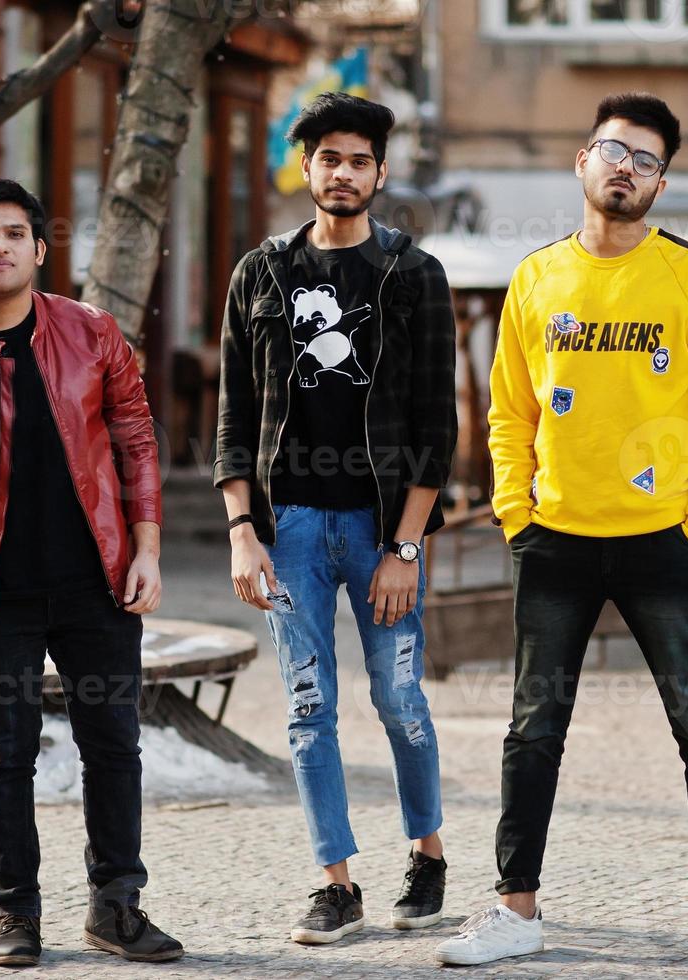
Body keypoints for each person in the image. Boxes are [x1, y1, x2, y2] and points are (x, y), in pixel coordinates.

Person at [434, 92, 688, 974]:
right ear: (582, 161)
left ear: (661, 183)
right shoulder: (537, 279)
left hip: (664, 542)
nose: (628, 168)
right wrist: (516, 511)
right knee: (533, 728)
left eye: (648, 160)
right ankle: (516, 910)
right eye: (615, 150)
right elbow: (507, 411)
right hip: (556, 543)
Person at [0, 178, 182, 967]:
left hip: (98, 585)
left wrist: (147, 550)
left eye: (15, 233)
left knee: (114, 748)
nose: (0, 246)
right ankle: (14, 913)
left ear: (40, 251)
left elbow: (136, 443)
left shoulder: (93, 334)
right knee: (2, 755)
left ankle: (116, 908)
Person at [215, 92, 458, 946]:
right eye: (329, 158)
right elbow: (233, 420)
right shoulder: (261, 273)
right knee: (307, 704)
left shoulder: (412, 275)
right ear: (307, 169)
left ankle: (426, 857)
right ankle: (335, 883)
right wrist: (243, 531)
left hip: (378, 529)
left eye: (359, 159)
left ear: (380, 173)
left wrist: (404, 545)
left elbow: (438, 429)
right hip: (290, 532)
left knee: (398, 699)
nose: (344, 172)